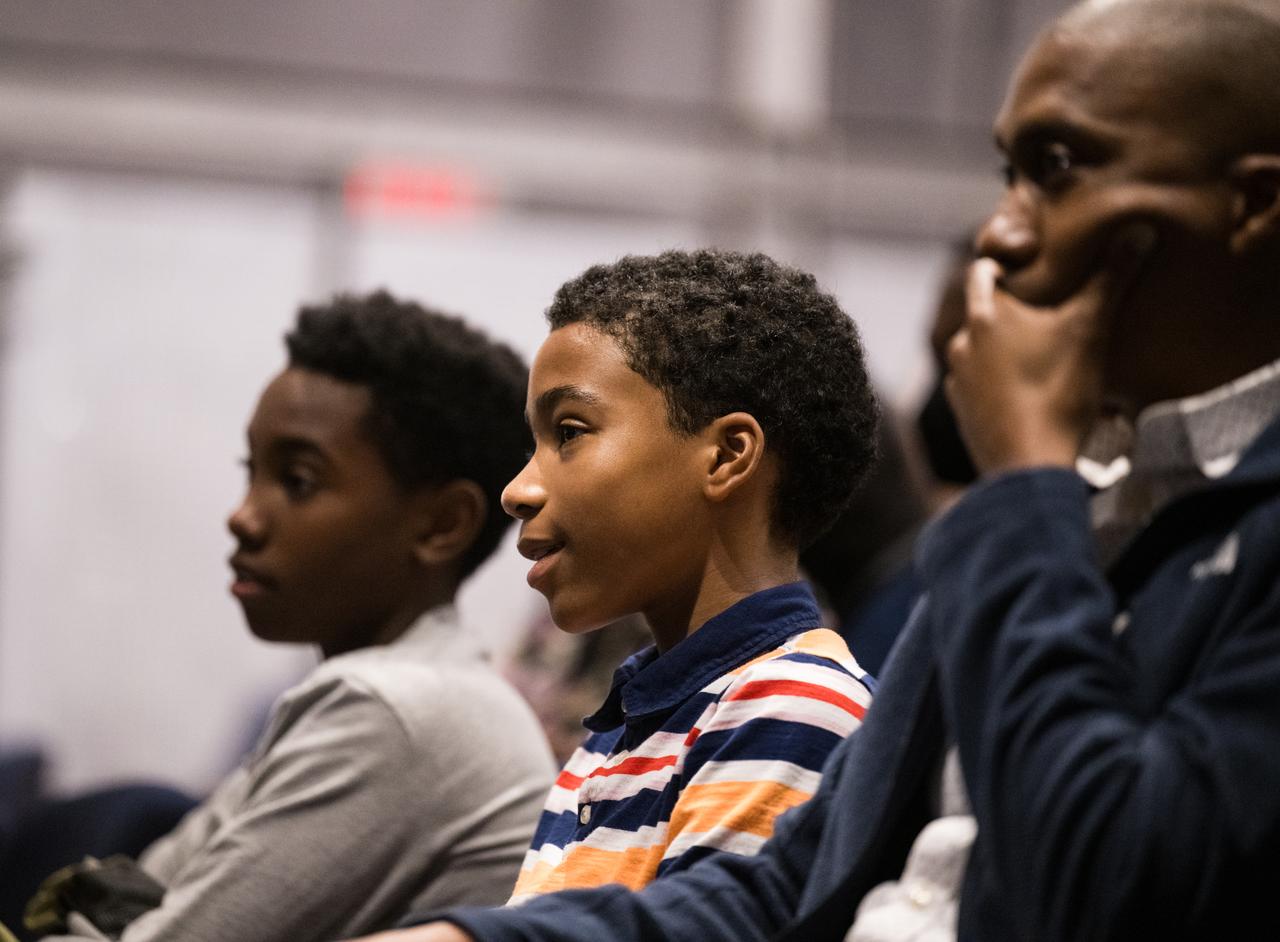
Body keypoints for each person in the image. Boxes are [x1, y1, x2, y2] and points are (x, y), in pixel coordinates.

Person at [363, 1, 1280, 939]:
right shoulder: (1090, 504)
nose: (1001, 233)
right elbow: (792, 885)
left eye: (1056, 169)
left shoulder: (1044, 514)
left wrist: (1024, 482)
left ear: (1252, 204)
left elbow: (1107, 880)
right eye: (1009, 174)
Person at [42, 291, 555, 942]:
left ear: (443, 524)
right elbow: (118, 905)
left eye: (298, 481)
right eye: (250, 471)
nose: (243, 515)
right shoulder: (395, 689)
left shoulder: (399, 711)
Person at [407, 250, 877, 915]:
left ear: (725, 455)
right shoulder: (617, 733)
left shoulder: (792, 707)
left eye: (569, 432)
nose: (517, 490)